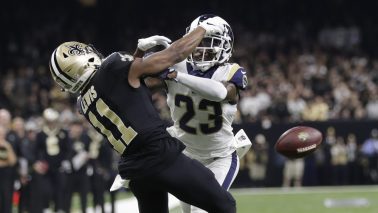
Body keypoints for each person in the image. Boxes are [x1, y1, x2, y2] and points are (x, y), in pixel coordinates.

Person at [49, 17, 236, 213]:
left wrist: (139, 53)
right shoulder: (112, 67)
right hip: (160, 156)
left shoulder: (83, 103)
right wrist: (202, 29)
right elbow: (174, 54)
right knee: (224, 204)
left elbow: (127, 84)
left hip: (135, 171)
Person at [141, 14, 249, 213]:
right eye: (198, 42)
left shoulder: (231, 72)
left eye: (209, 42)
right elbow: (138, 84)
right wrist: (143, 56)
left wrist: (177, 76)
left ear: (225, 46)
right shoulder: (177, 64)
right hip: (185, 156)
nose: (201, 49)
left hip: (220, 157)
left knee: (203, 210)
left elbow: (221, 93)